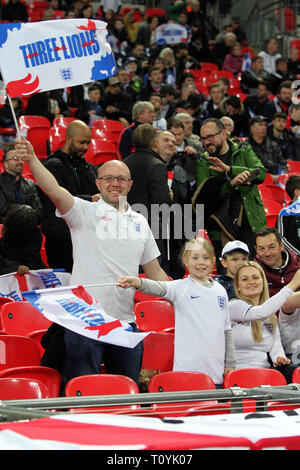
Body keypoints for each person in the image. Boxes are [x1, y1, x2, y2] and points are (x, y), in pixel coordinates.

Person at [15, 137, 170, 390]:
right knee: (83, 392)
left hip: (125, 323)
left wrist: (185, 294)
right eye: (108, 178)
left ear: (130, 185)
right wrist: (32, 159)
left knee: (127, 394)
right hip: (85, 323)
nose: (114, 183)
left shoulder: (140, 222)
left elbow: (155, 272)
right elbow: (54, 190)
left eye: (120, 179)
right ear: (98, 183)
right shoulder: (84, 212)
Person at [118, 237, 236, 387]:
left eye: (205, 257)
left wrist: (231, 363)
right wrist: (138, 282)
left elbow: (226, 330)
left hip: (215, 372)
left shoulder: (221, 291)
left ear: (213, 261)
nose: (201, 262)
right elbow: (158, 287)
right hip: (186, 371)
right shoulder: (180, 287)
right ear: (186, 261)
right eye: (195, 257)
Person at [192, 118, 266, 270]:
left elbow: (260, 173)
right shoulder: (203, 161)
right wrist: (231, 184)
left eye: (210, 137)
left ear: (224, 134)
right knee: (227, 278)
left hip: (250, 222)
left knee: (254, 274)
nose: (206, 142)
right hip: (221, 228)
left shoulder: (243, 150)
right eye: (203, 138)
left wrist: (230, 169)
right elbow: (205, 196)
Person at [39, 120, 99, 273]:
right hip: (62, 241)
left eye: (88, 143)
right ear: (68, 139)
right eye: (82, 142)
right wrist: (90, 199)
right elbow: (55, 200)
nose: (85, 147)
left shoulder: (89, 168)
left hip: (86, 238)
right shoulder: (53, 165)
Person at [229, 261, 300, 382]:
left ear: (263, 283)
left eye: (255, 277)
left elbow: (276, 351)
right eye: (245, 279)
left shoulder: (271, 317)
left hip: (265, 375)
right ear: (238, 287)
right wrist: (294, 283)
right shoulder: (233, 307)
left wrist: (280, 359)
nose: (251, 282)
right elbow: (260, 312)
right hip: (236, 375)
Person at [254, 226, 300, 297]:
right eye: (261, 249)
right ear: (256, 250)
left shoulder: (297, 264)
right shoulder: (254, 272)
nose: (267, 253)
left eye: (271, 247)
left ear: (281, 246)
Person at [0, 205, 46, 275]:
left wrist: (27, 268)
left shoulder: (33, 241)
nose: (3, 228)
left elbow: (36, 264)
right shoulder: (5, 241)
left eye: (6, 224)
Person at [0, 149, 43, 221]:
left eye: (21, 159)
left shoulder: (30, 184)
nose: (20, 162)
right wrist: (27, 212)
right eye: (15, 158)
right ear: (6, 164)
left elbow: (39, 210)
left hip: (28, 225)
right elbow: (3, 210)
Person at [247, 115, 288, 183]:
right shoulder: (246, 147)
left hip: (275, 181)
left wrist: (284, 175)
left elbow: (283, 163)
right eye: (260, 125)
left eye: (265, 125)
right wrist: (268, 177)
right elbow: (246, 171)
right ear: (252, 128)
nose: (264, 127)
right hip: (255, 183)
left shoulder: (274, 145)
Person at [276, 175, 300, 257]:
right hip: (293, 259)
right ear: (297, 192)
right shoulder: (284, 214)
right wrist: (297, 254)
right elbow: (281, 239)